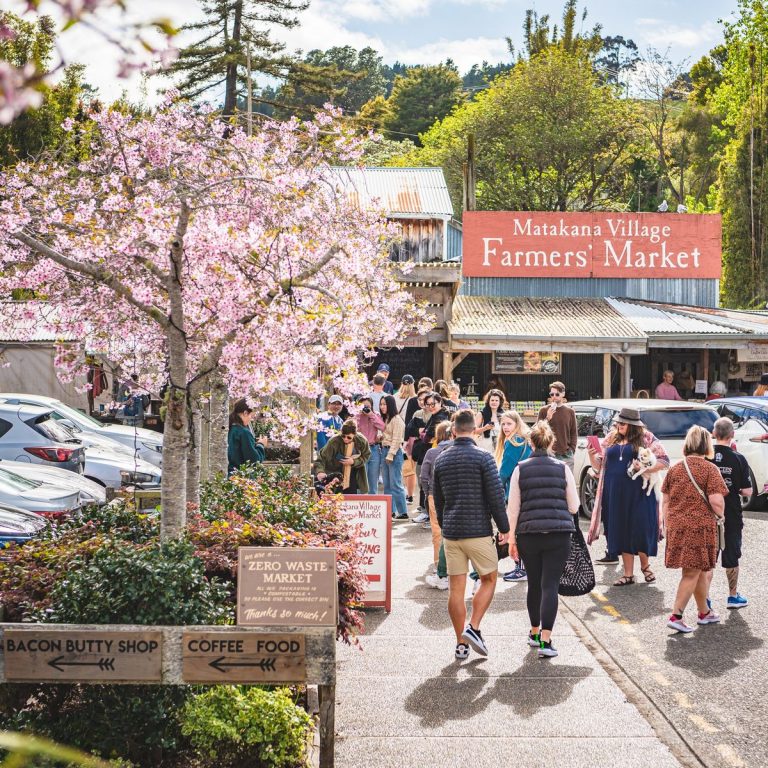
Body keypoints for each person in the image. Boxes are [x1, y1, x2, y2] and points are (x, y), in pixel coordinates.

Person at [433, 409, 509, 660]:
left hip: (452, 533)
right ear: (474, 430)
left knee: (456, 589)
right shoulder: (483, 458)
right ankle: (474, 627)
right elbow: (496, 497)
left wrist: (445, 526)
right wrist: (505, 529)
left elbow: (436, 498)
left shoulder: (442, 459)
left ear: (453, 430)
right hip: (478, 531)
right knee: (489, 579)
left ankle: (460, 644)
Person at [507, 420, 579, 658]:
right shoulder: (562, 468)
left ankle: (534, 632)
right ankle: (547, 641)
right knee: (550, 585)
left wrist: (511, 540)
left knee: (534, 585)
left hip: (528, 534)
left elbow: (513, 509)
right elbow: (574, 505)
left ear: (531, 442)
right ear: (551, 443)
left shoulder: (520, 468)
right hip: (559, 534)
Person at [587, 407, 668, 584]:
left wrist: (645, 467)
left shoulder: (646, 437)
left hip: (639, 493)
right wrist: (591, 455)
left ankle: (645, 567)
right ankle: (628, 574)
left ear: (633, 425)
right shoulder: (611, 437)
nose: (618, 425)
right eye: (617, 422)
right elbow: (599, 465)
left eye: (622, 423)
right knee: (621, 530)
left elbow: (664, 460)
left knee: (640, 528)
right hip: (614, 493)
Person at [662, 425, 727, 632]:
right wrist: (721, 515)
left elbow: (665, 499)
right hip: (699, 528)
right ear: (706, 445)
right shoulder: (710, 469)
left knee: (699, 570)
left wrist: (665, 524)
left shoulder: (675, 469)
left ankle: (704, 612)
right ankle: (676, 615)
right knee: (691, 572)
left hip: (677, 526)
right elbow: (716, 502)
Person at [708, 417, 753, 609]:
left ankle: (706, 598)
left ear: (714, 434)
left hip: (708, 512)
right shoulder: (738, 458)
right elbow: (747, 491)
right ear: (732, 435)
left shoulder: (705, 457)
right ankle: (732, 596)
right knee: (732, 553)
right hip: (731, 513)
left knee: (708, 556)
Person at [495, 410, 532, 583]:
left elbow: (504, 471)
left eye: (509, 424)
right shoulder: (525, 440)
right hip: (528, 490)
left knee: (516, 532)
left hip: (516, 492)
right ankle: (524, 567)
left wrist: (495, 489)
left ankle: (521, 568)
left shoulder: (514, 442)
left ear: (517, 424)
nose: (505, 427)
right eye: (503, 424)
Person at [421, 420, 454, 589]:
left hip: (435, 494)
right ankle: (451, 566)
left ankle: (438, 565)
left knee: (437, 531)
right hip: (454, 495)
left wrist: (428, 493)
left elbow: (424, 476)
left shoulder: (432, 452)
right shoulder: (456, 451)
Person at [314, 419, 372, 494]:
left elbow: (366, 455)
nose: (345, 439)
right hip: (335, 472)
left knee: (351, 498)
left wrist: (354, 462)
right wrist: (320, 471)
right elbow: (321, 457)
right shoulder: (334, 441)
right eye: (343, 436)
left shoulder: (361, 440)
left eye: (349, 437)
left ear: (355, 435)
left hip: (352, 472)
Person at [380, 394, 408, 519]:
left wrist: (390, 454)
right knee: (387, 484)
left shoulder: (397, 419)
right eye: (381, 404)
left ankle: (403, 512)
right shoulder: (386, 419)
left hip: (394, 453)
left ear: (390, 405)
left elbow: (397, 440)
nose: (382, 407)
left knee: (396, 483)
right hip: (384, 450)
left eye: (384, 404)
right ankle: (390, 510)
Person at [537, 381, 577, 467]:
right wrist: (547, 418)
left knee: (567, 480)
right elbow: (537, 431)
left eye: (557, 394)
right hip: (548, 453)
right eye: (552, 394)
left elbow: (573, 432)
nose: (554, 397)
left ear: (563, 394)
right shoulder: (544, 410)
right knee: (550, 480)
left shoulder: (570, 411)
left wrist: (572, 449)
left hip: (565, 454)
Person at [227, 398, 267, 475]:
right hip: (240, 477)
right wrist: (260, 445)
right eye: (251, 416)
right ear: (245, 413)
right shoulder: (244, 432)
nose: (251, 419)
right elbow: (254, 461)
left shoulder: (229, 428)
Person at [394, 375, 417, 501]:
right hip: (409, 435)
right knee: (410, 466)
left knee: (399, 465)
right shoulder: (415, 399)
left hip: (396, 434)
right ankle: (409, 495)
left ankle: (400, 490)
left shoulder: (394, 397)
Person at [355, 396, 385, 494]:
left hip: (374, 449)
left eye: (367, 406)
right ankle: (359, 503)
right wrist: (359, 415)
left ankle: (372, 504)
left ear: (371, 406)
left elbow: (382, 426)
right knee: (361, 479)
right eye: (363, 406)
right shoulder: (357, 416)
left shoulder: (375, 415)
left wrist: (371, 415)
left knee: (373, 480)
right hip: (361, 450)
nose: (365, 408)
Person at [476, 388, 506, 453]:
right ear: (488, 401)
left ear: (500, 402)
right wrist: (485, 428)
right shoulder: (481, 414)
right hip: (485, 445)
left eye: (496, 400)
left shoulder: (504, 415)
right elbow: (473, 431)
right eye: (492, 400)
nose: (494, 402)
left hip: (499, 445)